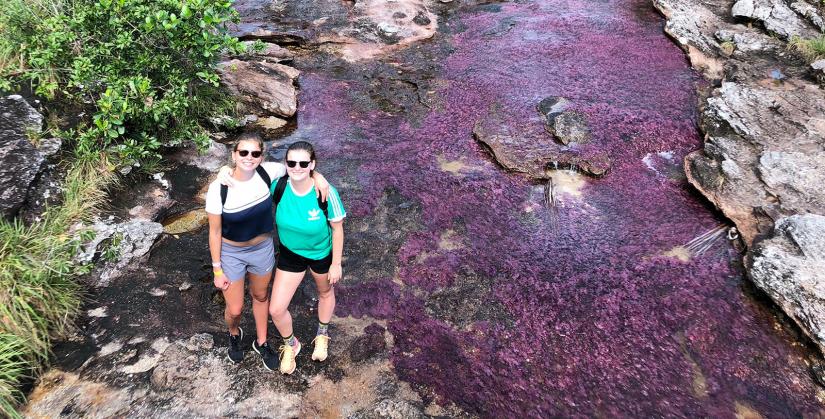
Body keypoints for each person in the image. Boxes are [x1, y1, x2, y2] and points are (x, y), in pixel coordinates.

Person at [205, 133, 329, 371]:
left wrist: (318, 176)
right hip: (232, 252)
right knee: (235, 308)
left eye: (254, 153)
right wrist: (217, 268)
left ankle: (261, 342)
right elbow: (214, 232)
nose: (249, 158)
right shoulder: (219, 187)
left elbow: (299, 167)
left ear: (261, 157)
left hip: (262, 249)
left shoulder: (267, 172)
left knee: (261, 296)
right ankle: (234, 332)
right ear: (234, 155)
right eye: (243, 152)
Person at [268, 141, 346, 374]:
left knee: (324, 292)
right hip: (291, 254)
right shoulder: (278, 187)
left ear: (312, 164)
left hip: (321, 254)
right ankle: (292, 345)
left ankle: (322, 334)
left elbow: (338, 229)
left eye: (304, 163)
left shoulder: (325, 192)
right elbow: (249, 173)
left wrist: (335, 263)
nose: (297, 167)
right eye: (292, 162)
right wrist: (224, 172)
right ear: (286, 164)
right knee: (276, 309)